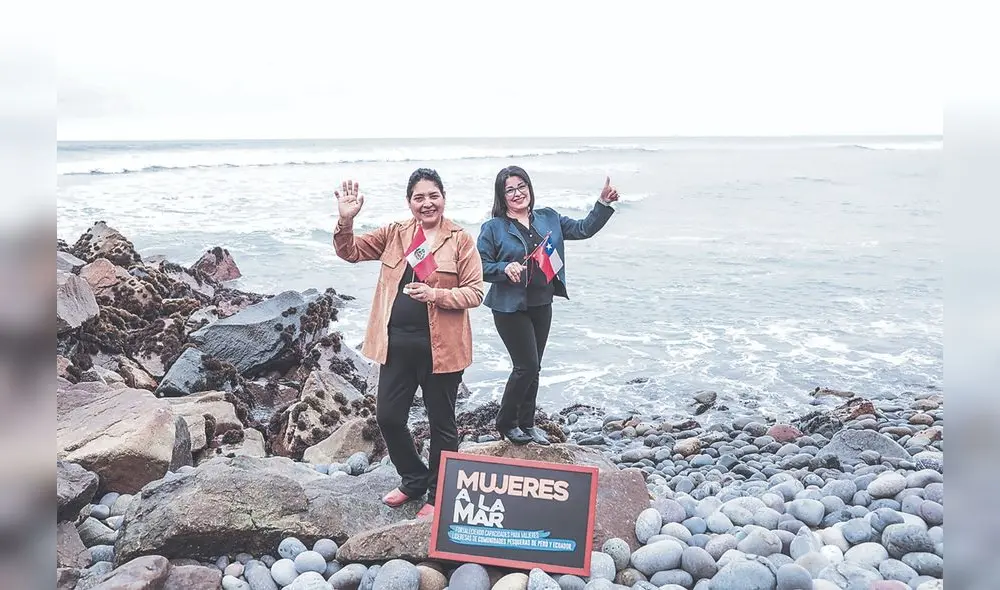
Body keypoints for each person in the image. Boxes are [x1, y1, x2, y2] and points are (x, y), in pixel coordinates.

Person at [333, 168, 484, 519]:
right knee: (388, 416)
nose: (427, 203)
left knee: (441, 424)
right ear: (409, 202)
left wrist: (436, 294)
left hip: (442, 350)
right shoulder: (395, 234)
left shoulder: (460, 239)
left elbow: (476, 292)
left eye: (433, 196)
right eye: (419, 197)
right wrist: (345, 221)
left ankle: (439, 494)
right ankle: (413, 478)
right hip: (396, 345)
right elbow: (350, 252)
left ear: (443, 198)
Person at [477, 166, 619, 445]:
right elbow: (480, 266)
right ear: (501, 196)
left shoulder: (549, 218)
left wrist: (602, 204)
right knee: (525, 366)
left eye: (522, 186)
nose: (517, 193)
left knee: (535, 366)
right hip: (509, 307)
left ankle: (527, 424)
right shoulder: (493, 228)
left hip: (541, 302)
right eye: (510, 189)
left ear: (529, 188)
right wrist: (505, 268)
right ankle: (507, 423)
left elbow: (583, 229)